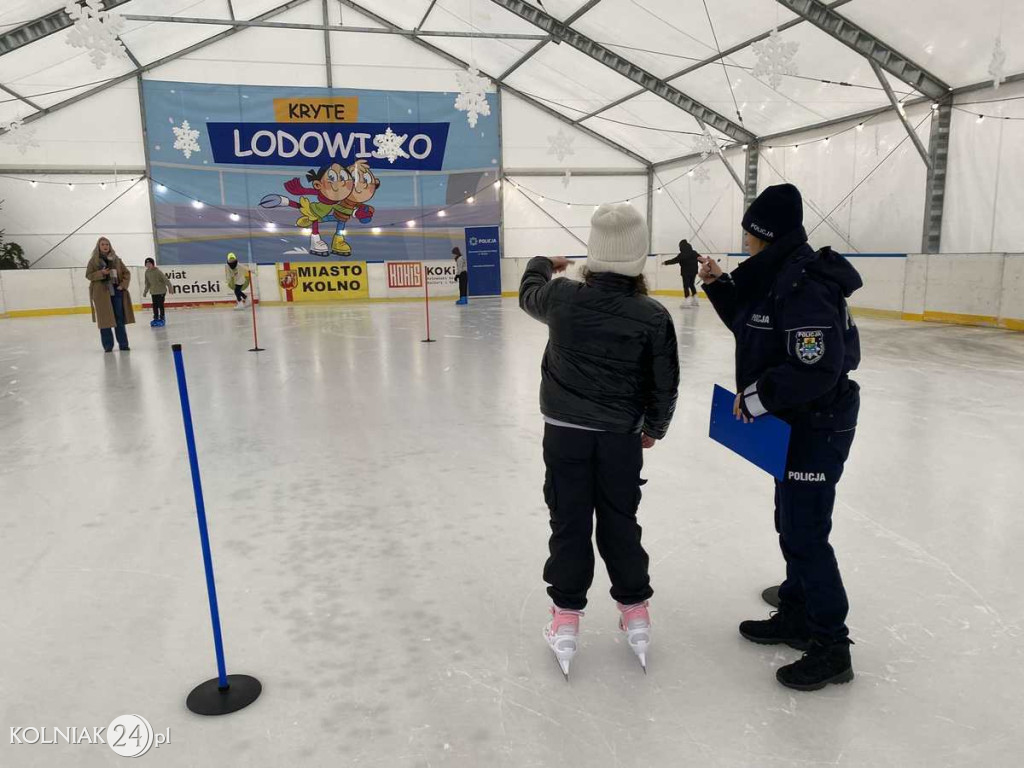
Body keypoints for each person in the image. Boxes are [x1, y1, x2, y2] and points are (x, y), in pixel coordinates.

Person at [698, 183, 862, 692]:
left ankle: (831, 645)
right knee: (791, 520)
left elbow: (817, 368)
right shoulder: (777, 276)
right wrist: (719, 286)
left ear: (763, 234)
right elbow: (755, 330)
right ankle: (795, 610)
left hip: (817, 424)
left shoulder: (805, 285)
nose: (743, 239)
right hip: (795, 423)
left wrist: (756, 397)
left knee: (807, 531)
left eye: (749, 230)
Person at [519, 203, 679, 678]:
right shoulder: (652, 314)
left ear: (594, 252)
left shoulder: (563, 297)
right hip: (620, 440)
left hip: (564, 435)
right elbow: (665, 382)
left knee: (569, 521)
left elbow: (529, 292)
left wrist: (546, 263)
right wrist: (655, 427)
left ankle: (566, 617)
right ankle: (635, 609)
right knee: (620, 520)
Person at [85, 237, 134, 352]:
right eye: (103, 244)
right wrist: (101, 273)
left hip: (116, 292)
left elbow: (126, 273)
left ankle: (123, 344)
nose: (105, 246)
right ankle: (108, 346)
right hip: (101, 294)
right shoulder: (93, 261)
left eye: (107, 244)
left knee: (119, 319)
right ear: (99, 246)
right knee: (105, 321)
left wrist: (123, 285)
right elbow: (88, 275)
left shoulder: (116, 260)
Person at [663, 239, 700, 308]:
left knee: (686, 286)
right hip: (694, 271)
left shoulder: (682, 255)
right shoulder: (694, 253)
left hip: (686, 272)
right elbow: (700, 259)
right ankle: (695, 300)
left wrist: (666, 262)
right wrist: (707, 263)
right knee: (691, 284)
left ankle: (687, 301)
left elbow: (674, 260)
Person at [142, 257, 172, 327]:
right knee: (154, 305)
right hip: (153, 292)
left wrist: (170, 288)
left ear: (153, 264)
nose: (148, 265)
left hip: (161, 291)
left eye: (149, 263)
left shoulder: (158, 272)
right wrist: (145, 291)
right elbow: (147, 283)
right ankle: (156, 317)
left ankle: (162, 318)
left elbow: (166, 280)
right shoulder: (147, 272)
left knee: (160, 304)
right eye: (146, 264)